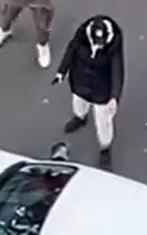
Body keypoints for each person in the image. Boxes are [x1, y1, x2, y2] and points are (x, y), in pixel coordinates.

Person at [54, 15, 125, 168]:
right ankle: (80, 118)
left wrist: (114, 97)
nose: (98, 46)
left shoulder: (114, 45)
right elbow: (71, 51)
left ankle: (105, 148)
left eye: (101, 42)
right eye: (96, 42)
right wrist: (61, 72)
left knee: (103, 122)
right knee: (78, 103)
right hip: (81, 81)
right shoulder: (81, 36)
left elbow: (117, 70)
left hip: (102, 90)